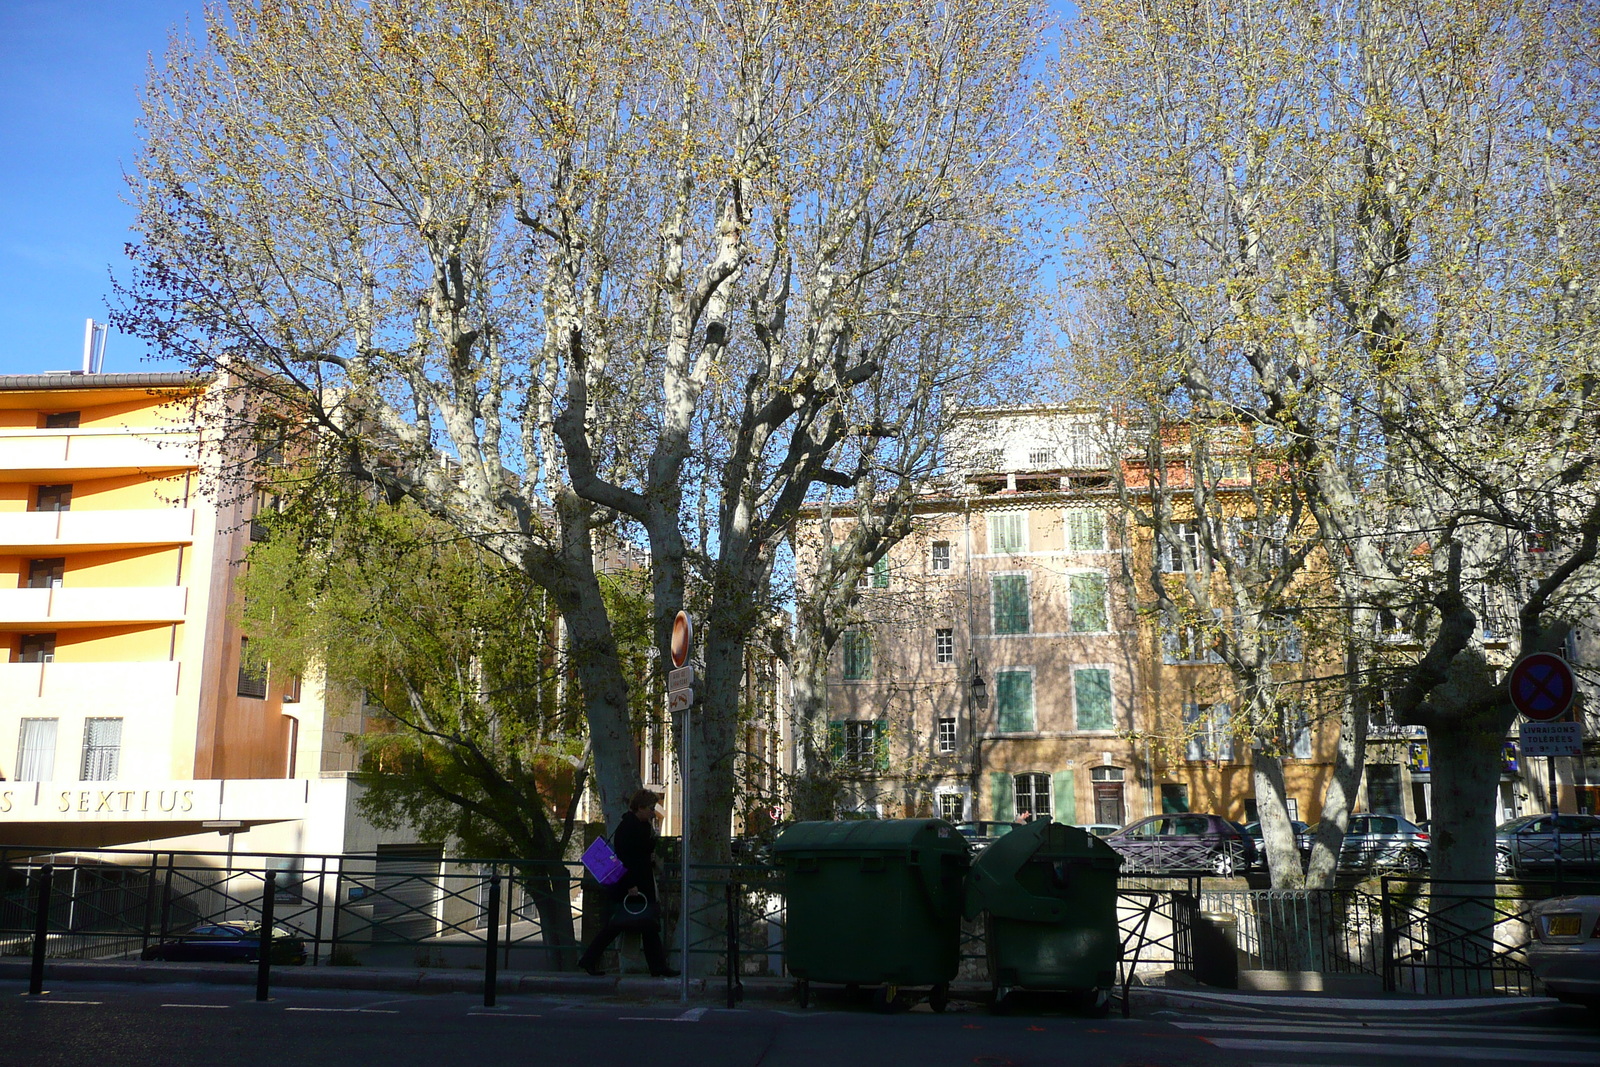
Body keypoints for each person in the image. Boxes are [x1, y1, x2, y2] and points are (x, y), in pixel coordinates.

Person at [577, 788, 679, 977]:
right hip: (632, 886)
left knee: (646, 925)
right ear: (639, 807)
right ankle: (589, 959)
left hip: (639, 883)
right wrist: (630, 884)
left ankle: (657, 967)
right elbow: (624, 858)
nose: (652, 811)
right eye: (650, 808)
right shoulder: (628, 827)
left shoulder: (641, 826)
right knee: (619, 925)